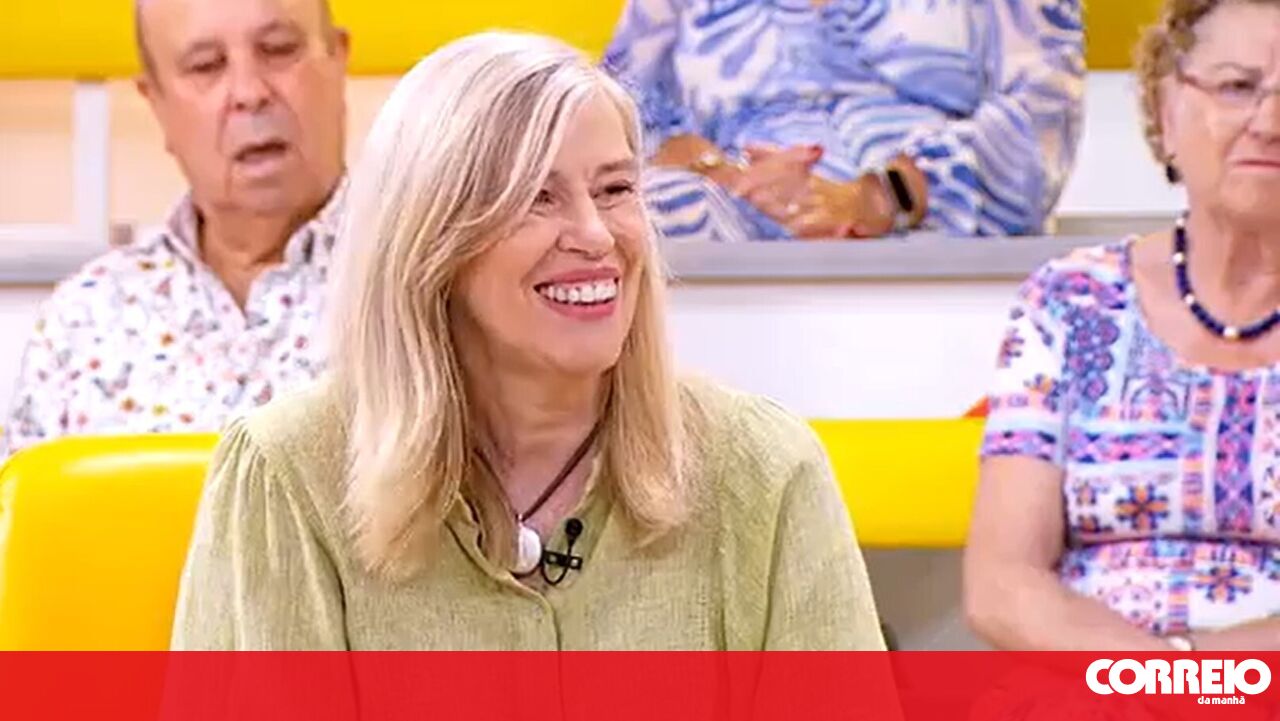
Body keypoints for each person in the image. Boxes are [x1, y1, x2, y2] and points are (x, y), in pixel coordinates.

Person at [170, 31, 884, 650]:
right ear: (431, 243)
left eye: (614, 190)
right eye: (536, 197)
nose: (596, 236)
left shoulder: (764, 472)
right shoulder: (287, 477)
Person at [965, 0, 1280, 651]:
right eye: (1237, 86)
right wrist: (1154, 675)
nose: (1270, 122)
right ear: (1167, 112)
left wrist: (1197, 678)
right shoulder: (1070, 301)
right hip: (1083, 677)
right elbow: (1002, 582)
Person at [0, 0, 348, 459]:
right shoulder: (82, 322)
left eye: (279, 49)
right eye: (206, 66)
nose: (250, 93)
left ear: (339, 60)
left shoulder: (421, 281)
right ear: (156, 102)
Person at [604, 0, 1085, 242]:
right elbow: (618, 117)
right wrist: (718, 171)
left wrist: (877, 197)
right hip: (724, 228)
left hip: (933, 237)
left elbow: (1040, 127)